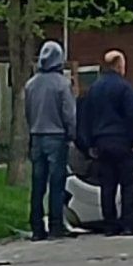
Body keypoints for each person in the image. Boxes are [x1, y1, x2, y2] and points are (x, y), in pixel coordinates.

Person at [81, 50, 133, 236]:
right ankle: (129, 224)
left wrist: (89, 144)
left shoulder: (93, 89)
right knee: (129, 184)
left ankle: (109, 225)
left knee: (107, 186)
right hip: (123, 142)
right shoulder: (125, 88)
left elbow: (86, 117)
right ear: (119, 65)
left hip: (102, 143)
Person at [25, 41, 76, 241]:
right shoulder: (62, 84)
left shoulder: (31, 84)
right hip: (56, 136)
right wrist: (72, 134)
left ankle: (37, 227)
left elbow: (28, 112)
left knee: (37, 184)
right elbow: (69, 114)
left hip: (37, 135)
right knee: (56, 183)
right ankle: (56, 226)